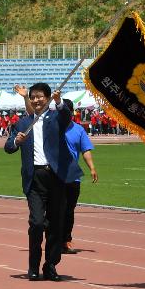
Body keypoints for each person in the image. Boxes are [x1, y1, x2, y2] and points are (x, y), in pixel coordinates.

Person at [4, 83, 81, 282]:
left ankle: (51, 265)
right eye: (33, 97)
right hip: (34, 178)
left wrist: (59, 101)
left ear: (47, 99)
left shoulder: (55, 118)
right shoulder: (23, 123)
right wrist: (16, 142)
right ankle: (33, 266)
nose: (37, 100)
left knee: (55, 224)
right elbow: (8, 147)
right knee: (37, 223)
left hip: (55, 177)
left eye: (40, 97)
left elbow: (66, 117)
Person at [60, 99, 98, 255]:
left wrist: (92, 168)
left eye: (66, 111)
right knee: (54, 209)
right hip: (54, 175)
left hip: (72, 175)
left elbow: (85, 150)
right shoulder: (52, 128)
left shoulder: (78, 130)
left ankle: (65, 240)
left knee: (69, 210)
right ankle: (54, 238)